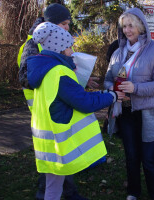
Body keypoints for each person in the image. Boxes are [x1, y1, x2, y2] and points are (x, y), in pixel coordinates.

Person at [27, 22, 124, 200]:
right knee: (53, 186)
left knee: (53, 185)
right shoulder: (59, 72)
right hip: (59, 140)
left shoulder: (42, 68)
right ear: (59, 48)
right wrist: (112, 96)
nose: (72, 51)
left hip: (46, 141)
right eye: (69, 47)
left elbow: (71, 96)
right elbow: (84, 102)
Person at [17, 4, 99, 200]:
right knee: (52, 159)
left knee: (61, 153)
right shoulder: (33, 45)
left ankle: (65, 193)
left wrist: (80, 79)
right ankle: (47, 194)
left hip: (53, 106)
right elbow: (29, 79)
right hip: (45, 109)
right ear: (50, 25)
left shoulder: (52, 39)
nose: (67, 28)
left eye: (68, 24)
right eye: (63, 24)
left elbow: (59, 73)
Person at [104, 8, 154, 200]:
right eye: (124, 26)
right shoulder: (117, 52)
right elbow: (107, 79)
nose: (127, 30)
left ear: (140, 26)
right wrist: (114, 91)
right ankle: (133, 192)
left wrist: (135, 88)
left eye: (131, 25)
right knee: (131, 156)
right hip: (125, 112)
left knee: (148, 158)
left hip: (149, 113)